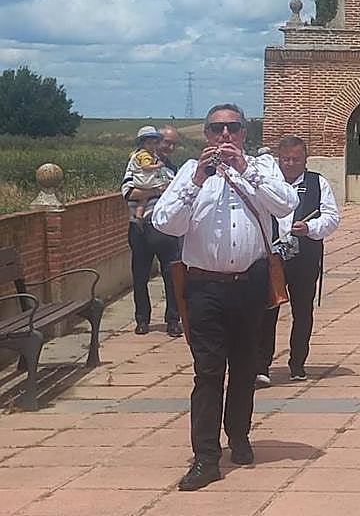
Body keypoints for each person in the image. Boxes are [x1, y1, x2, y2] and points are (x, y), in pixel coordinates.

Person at [152, 104, 298, 491]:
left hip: (249, 284)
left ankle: (239, 435)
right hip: (204, 287)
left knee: (246, 366)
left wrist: (246, 169)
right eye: (217, 129)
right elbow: (165, 222)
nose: (225, 136)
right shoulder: (189, 173)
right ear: (206, 135)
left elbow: (286, 204)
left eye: (233, 128)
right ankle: (205, 457)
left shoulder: (261, 170)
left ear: (244, 133)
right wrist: (198, 180)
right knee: (208, 370)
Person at [257, 135, 341, 386]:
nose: (291, 164)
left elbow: (332, 217)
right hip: (273, 257)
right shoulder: (268, 183)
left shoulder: (318, 183)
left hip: (305, 256)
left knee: (302, 312)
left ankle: (298, 363)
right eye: (286, 159)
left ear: (305, 159)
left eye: (296, 159)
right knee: (267, 311)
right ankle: (262, 365)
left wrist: (311, 227)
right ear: (278, 159)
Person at [123, 125, 184, 337]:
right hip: (140, 227)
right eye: (165, 142)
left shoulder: (173, 169)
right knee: (140, 276)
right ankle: (142, 320)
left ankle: (173, 320)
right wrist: (157, 190)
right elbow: (129, 192)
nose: (169, 147)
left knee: (172, 275)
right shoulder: (139, 163)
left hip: (166, 229)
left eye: (173, 144)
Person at [127, 126, 172, 223]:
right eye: (149, 143)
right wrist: (158, 191)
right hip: (146, 183)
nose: (153, 146)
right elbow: (129, 193)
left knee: (143, 201)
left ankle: (139, 216)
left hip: (159, 223)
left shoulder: (167, 163)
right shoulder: (144, 156)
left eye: (155, 143)